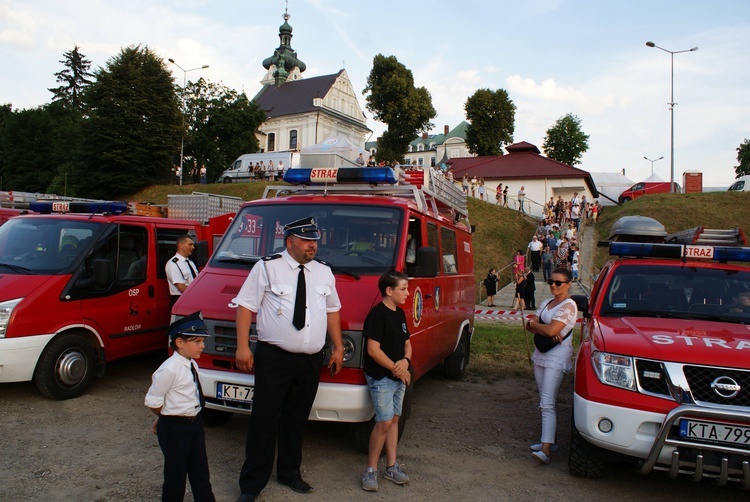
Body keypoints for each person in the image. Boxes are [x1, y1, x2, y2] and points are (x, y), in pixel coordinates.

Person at [234, 216, 344, 501]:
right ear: (290, 242)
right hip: (274, 358)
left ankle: (289, 473)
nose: (313, 246)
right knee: (263, 421)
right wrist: (242, 347)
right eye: (307, 241)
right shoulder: (267, 267)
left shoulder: (323, 272)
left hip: (309, 361)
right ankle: (251, 485)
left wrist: (338, 347)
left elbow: (333, 311)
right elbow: (246, 307)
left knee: (296, 420)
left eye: (315, 241)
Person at [144, 311, 215, 502]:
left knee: (200, 471)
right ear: (179, 342)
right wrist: (165, 417)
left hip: (195, 424)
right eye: (197, 341)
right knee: (176, 476)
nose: (202, 345)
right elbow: (153, 400)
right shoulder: (169, 369)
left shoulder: (192, 364)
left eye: (202, 341)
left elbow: (185, 396)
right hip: (176, 428)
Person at [361, 271, 413, 492]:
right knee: (383, 422)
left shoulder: (400, 314)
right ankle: (370, 470)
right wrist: (397, 369)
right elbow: (373, 350)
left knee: (394, 420)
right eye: (403, 289)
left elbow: (407, 344)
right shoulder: (377, 314)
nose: (407, 293)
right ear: (389, 291)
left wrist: (406, 361)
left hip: (397, 375)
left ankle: (391, 466)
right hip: (382, 377)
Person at [525, 268, 577, 465]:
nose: (553, 285)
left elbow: (552, 329)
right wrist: (542, 329)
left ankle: (546, 449)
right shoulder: (547, 302)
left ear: (569, 284)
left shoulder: (569, 306)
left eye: (558, 283)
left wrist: (539, 327)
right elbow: (531, 326)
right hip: (541, 354)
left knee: (547, 402)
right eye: (551, 282)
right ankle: (548, 441)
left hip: (556, 357)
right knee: (544, 399)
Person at [165, 235, 199, 304]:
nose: (193, 247)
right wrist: (199, 292)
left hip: (193, 298)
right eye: (190, 244)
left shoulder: (191, 262)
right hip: (181, 300)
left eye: (193, 245)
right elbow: (181, 287)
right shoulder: (173, 264)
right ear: (180, 245)